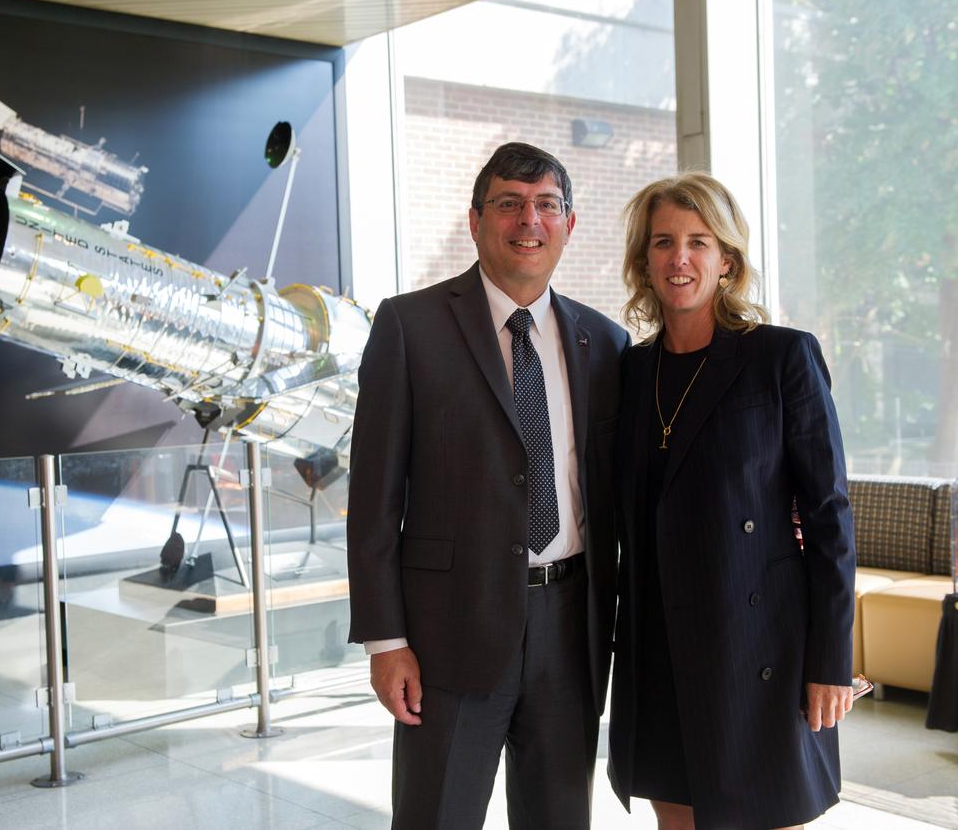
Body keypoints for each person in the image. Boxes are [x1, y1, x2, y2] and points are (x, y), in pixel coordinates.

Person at [347, 142, 629, 829]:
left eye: (545, 205)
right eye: (508, 203)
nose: (527, 220)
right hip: (447, 636)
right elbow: (373, 501)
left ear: (569, 223)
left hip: (571, 629)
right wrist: (387, 643)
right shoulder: (409, 326)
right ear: (475, 221)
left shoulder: (607, 343)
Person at [607, 172, 857, 830]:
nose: (679, 258)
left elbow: (829, 516)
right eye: (663, 242)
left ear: (727, 261)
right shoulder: (630, 373)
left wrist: (831, 661)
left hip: (759, 649)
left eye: (698, 241)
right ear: (644, 262)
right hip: (658, 644)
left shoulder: (782, 357)